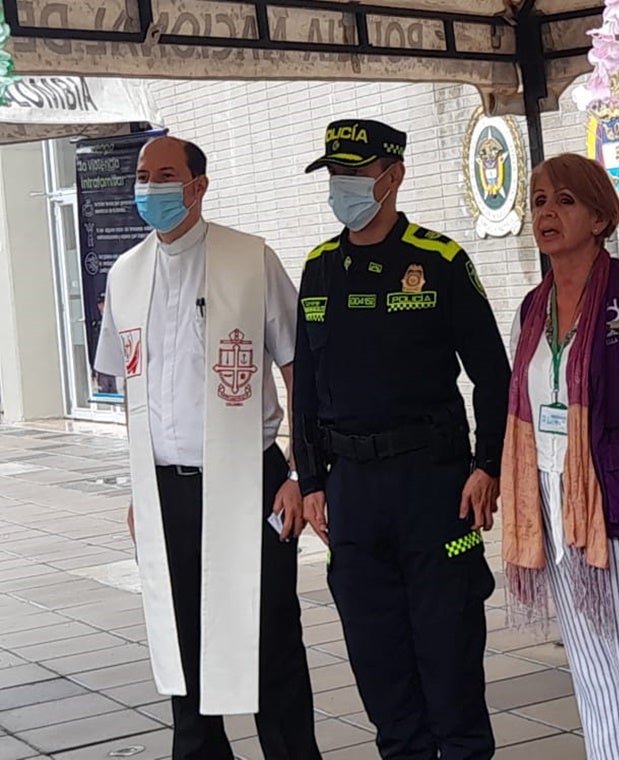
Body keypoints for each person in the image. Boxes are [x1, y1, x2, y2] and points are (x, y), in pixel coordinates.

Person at [94, 136, 320, 760]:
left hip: (251, 482)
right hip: (167, 490)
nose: (151, 187)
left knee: (270, 635)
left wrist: (302, 473)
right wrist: (141, 488)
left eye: (166, 175)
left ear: (198, 185)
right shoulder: (126, 273)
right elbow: (130, 389)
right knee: (182, 643)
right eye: (143, 175)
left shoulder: (249, 260)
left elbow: (299, 370)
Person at [292, 119, 508, 760]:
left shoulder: (439, 261)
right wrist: (310, 482)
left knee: (448, 655)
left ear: (393, 176)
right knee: (378, 660)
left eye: (355, 174)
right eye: (335, 174)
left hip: (433, 485)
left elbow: (492, 376)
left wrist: (487, 464)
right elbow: (306, 388)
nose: (342, 186)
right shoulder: (321, 268)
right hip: (352, 491)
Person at [500, 153, 619, 760]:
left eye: (564, 200)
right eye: (537, 202)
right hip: (556, 508)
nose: (547, 213)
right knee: (595, 680)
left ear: (602, 216)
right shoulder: (532, 308)